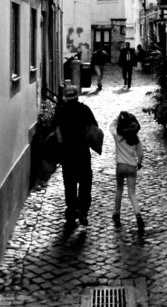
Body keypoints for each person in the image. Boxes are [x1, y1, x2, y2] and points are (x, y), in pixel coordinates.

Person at [53, 83, 98, 228]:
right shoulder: (84, 110)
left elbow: (54, 129)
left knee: (69, 183)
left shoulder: (61, 111)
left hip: (67, 153)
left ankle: (71, 211)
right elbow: (94, 127)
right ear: (77, 96)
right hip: (82, 152)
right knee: (85, 182)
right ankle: (82, 210)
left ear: (66, 98)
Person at [109, 110, 144, 232]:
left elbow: (111, 126)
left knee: (119, 189)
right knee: (132, 193)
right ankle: (138, 215)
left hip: (120, 166)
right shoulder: (135, 138)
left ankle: (116, 213)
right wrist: (139, 163)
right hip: (131, 167)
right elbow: (140, 153)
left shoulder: (117, 136)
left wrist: (118, 118)